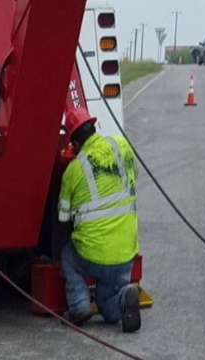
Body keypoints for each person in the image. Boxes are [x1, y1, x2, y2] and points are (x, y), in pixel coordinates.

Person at [58, 106, 141, 333]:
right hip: (126, 251)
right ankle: (124, 296)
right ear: (94, 128)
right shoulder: (120, 145)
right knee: (107, 304)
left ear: (74, 144)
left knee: (67, 255)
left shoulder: (73, 170)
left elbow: (63, 217)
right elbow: (135, 174)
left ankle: (79, 305)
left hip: (91, 255)